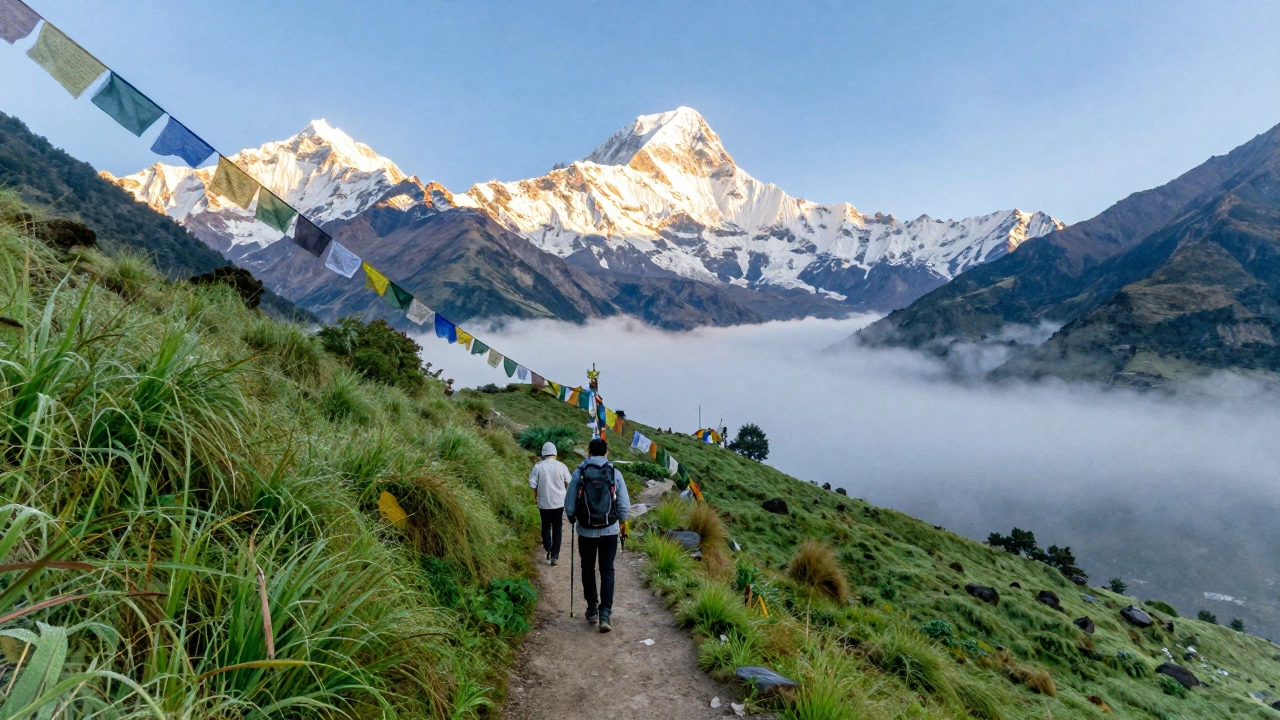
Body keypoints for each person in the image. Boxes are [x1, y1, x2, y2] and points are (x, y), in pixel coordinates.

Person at [565, 437, 630, 633]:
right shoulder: (614, 472)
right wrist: (618, 520)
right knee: (607, 569)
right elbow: (624, 506)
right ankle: (605, 614)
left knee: (587, 568)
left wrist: (572, 517)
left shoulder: (579, 472)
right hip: (610, 530)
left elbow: (569, 503)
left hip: (586, 530)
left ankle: (592, 608)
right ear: (607, 452)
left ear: (588, 452)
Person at [529, 441, 571, 565]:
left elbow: (532, 484)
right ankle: (555, 556)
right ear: (555, 453)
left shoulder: (538, 467)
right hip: (559, 502)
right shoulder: (561, 466)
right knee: (557, 528)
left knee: (546, 526)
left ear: (543, 454)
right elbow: (569, 480)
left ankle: (548, 549)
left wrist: (538, 489)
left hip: (544, 502)